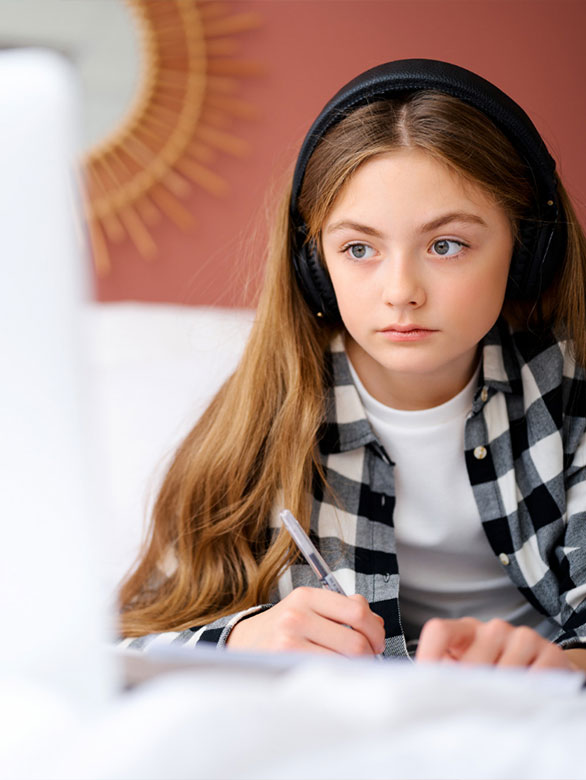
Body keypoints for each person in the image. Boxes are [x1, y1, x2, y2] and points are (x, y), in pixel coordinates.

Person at [118, 59, 586, 672]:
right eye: (359, 248)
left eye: (446, 245)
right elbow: (121, 640)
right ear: (316, 267)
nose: (401, 291)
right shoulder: (264, 416)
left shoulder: (567, 395)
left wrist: (561, 672)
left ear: (527, 250)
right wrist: (240, 641)